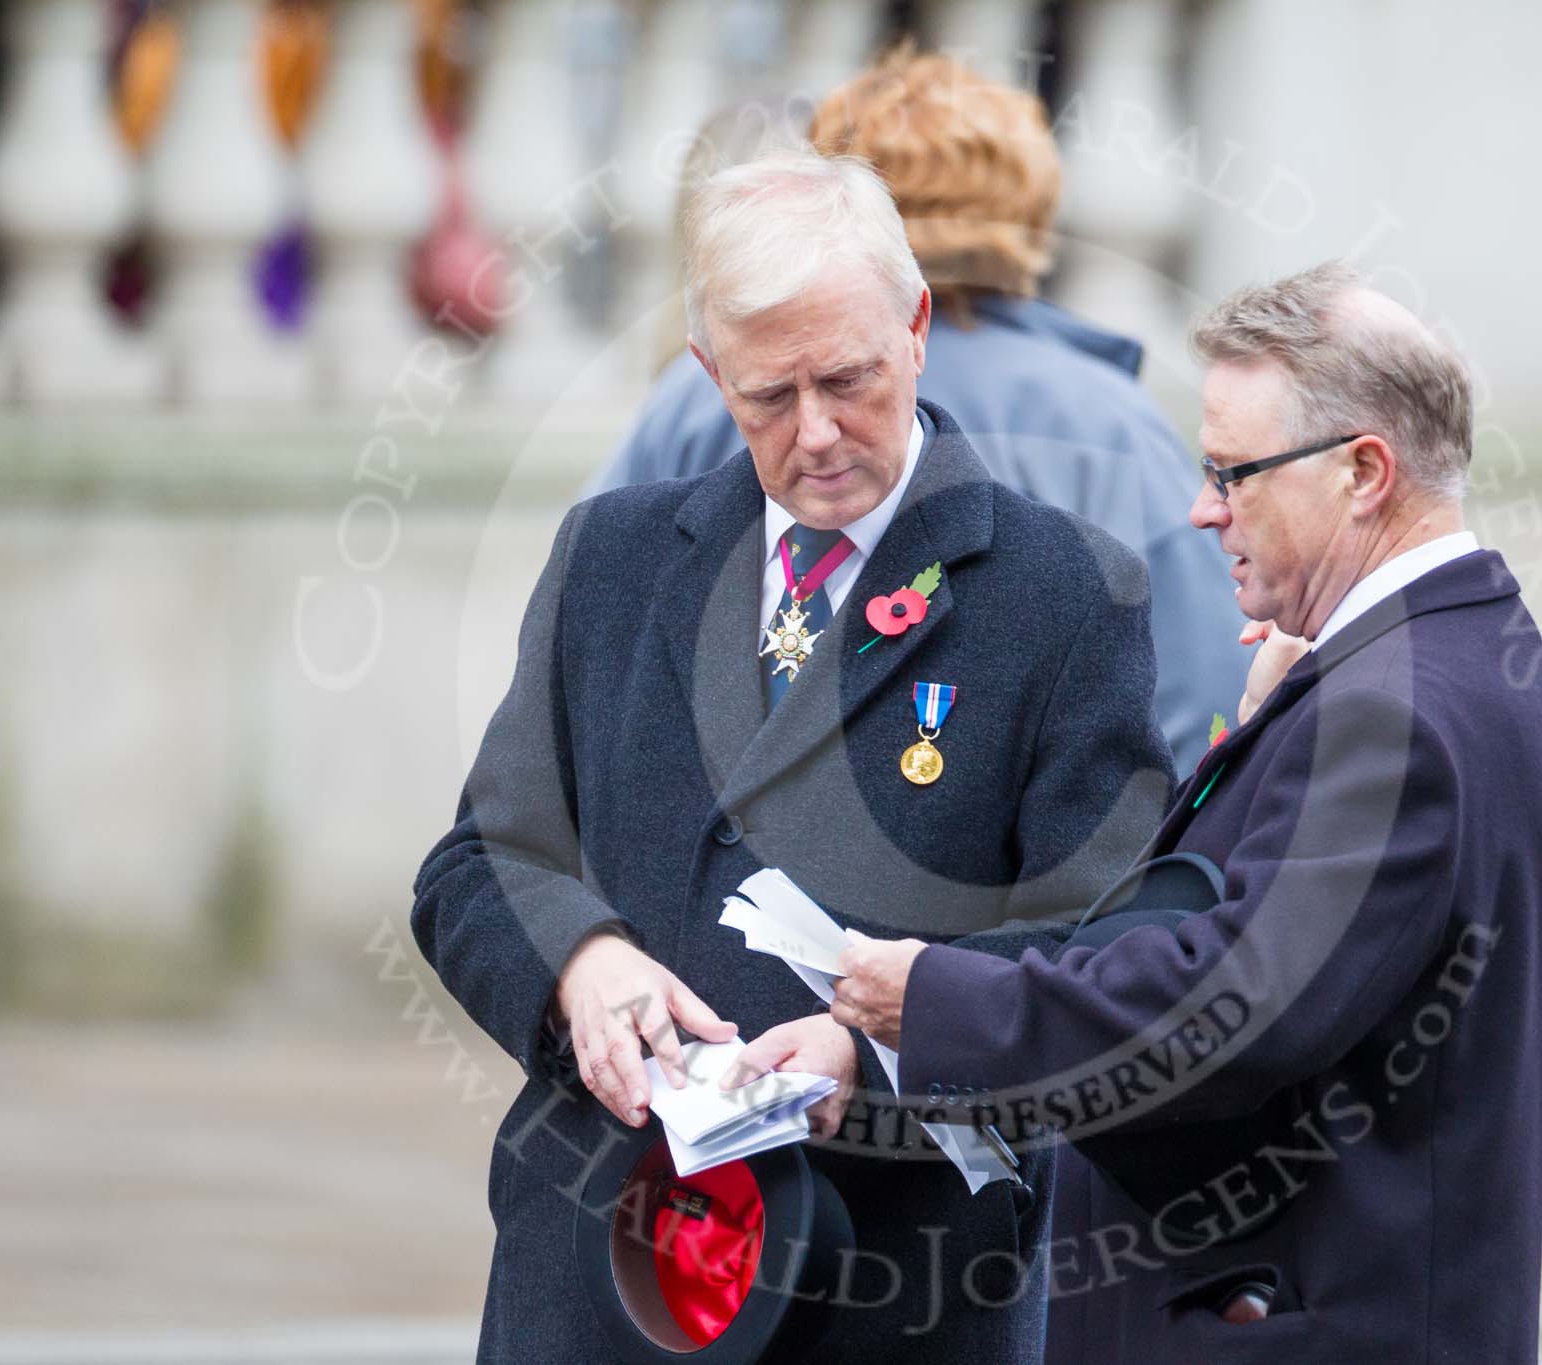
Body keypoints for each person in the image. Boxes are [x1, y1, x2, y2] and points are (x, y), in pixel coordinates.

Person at [410, 150, 1172, 1362]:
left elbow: (1108, 953)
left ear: (916, 329)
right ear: (710, 376)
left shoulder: (1065, 592)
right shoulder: (610, 556)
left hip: (888, 1290)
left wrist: (881, 1051)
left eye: (846, 380)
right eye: (768, 396)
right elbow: (478, 862)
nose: (814, 434)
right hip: (600, 1286)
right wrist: (581, 964)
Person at [832, 262, 1542, 1362]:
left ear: (1361, 474)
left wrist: (935, 1002)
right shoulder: (1459, 664)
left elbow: (1223, 1010)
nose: (1201, 509)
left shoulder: (1398, 716)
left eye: (1232, 473)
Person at [591, 47, 1248, 776]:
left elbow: (594, 642)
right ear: (1027, 205)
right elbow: (1204, 697)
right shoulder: (1110, 418)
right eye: (776, 398)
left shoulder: (699, 391)